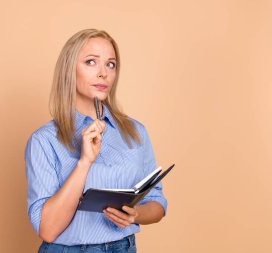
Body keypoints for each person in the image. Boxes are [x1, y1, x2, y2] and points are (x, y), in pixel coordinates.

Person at [25, 29, 167, 253]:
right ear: (69, 70)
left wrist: (136, 214)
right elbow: (47, 230)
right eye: (91, 62)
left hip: (123, 248)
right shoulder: (44, 140)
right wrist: (84, 162)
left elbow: (158, 203)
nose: (103, 73)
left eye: (110, 64)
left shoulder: (135, 131)